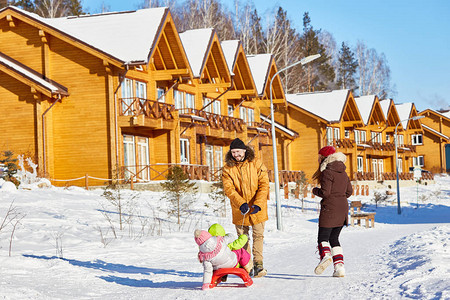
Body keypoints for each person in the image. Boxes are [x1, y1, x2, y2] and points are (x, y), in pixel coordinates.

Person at [222, 138, 270, 277]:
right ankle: (247, 265)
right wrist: (241, 203)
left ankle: (258, 264)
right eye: (233, 152)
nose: (236, 154)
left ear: (244, 150)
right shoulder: (227, 168)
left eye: (238, 151)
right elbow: (229, 189)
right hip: (239, 208)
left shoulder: (256, 163)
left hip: (257, 208)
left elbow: (264, 185)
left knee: (258, 235)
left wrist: (258, 204)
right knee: (242, 237)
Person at [312, 145, 353, 277]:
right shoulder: (343, 171)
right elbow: (349, 192)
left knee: (322, 238)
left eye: (319, 157)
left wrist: (314, 190)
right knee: (334, 238)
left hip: (330, 208)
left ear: (324, 157)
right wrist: (339, 197)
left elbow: (325, 192)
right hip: (343, 207)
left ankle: (326, 256)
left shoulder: (327, 172)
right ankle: (339, 268)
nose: (318, 159)